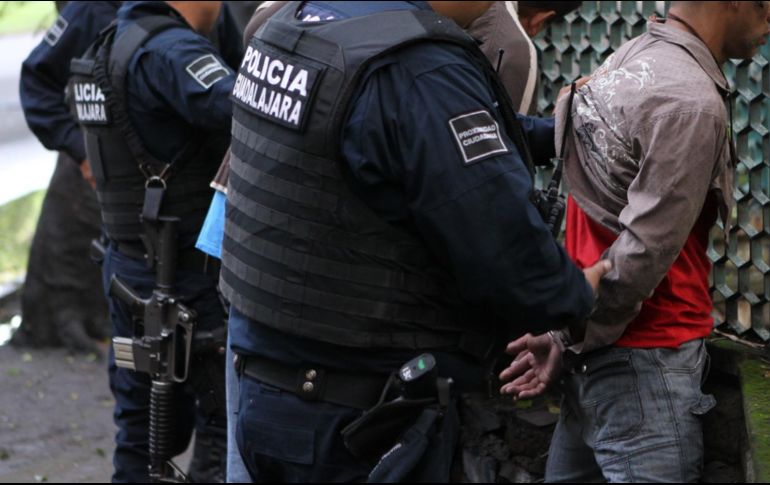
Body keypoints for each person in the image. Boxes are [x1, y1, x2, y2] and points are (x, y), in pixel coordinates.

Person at [219, 1, 610, 481]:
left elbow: (409, 133)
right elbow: (503, 248)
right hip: (361, 417)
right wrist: (577, 294)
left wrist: (561, 131)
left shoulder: (298, 20)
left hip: (265, 381)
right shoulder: (420, 66)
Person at [500, 1, 770, 482]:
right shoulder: (690, 102)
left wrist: (567, 332)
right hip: (649, 362)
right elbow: (641, 254)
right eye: (766, 6)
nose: (769, 22)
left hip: (592, 349)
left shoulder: (624, 58)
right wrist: (573, 331)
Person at [68, 1, 243, 481]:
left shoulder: (108, 44)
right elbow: (251, 111)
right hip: (185, 277)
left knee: (142, 437)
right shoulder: (172, 51)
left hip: (128, 273)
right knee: (221, 429)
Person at [16, 1, 119, 354]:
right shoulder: (93, 9)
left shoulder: (206, 10)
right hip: (108, 183)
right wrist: (80, 150)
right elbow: (37, 79)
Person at [467, 1, 583, 115]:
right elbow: (510, 131)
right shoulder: (518, 52)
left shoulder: (468, 12)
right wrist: (559, 119)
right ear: (538, 21)